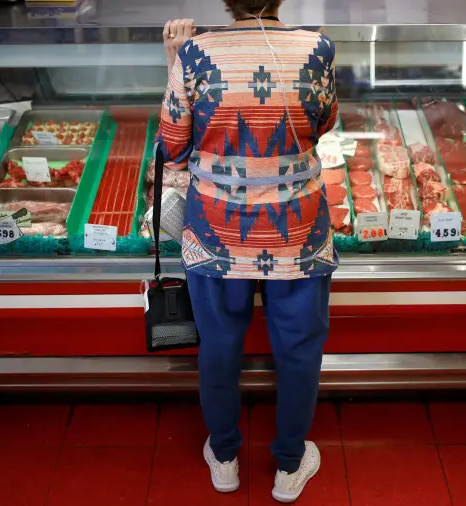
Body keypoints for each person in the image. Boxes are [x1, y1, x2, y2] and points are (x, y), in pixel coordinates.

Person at [157, 1, 337, 502]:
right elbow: (322, 124)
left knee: (219, 347)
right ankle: (289, 466)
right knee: (299, 353)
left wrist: (172, 61)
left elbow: (172, 147)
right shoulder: (317, 49)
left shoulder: (193, 54)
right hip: (296, 236)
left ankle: (226, 458)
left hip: (216, 236)